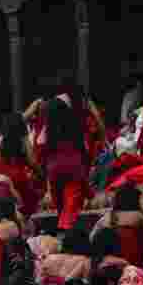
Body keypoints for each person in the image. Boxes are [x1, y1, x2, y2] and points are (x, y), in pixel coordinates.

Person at [89, 184, 143, 268]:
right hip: (133, 266)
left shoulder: (105, 218)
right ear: (134, 201)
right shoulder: (138, 216)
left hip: (109, 265)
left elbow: (91, 238)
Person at [43, 98, 89, 231]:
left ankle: (61, 226)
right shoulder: (75, 126)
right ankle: (65, 229)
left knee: (60, 203)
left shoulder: (49, 129)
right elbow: (83, 149)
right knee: (71, 201)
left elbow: (44, 151)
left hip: (54, 168)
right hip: (73, 165)